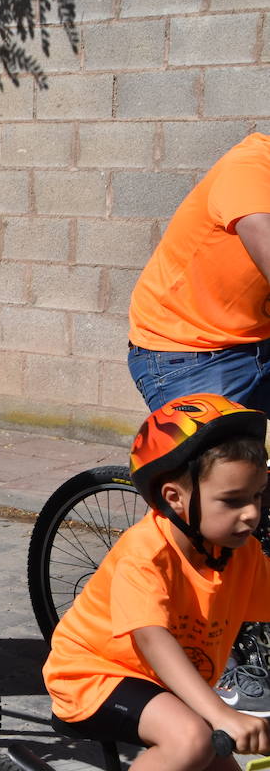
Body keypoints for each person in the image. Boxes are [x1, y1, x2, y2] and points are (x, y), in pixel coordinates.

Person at [43, 394, 270, 771]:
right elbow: (153, 639)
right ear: (175, 498)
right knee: (191, 738)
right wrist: (222, 713)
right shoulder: (145, 552)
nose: (251, 513)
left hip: (167, 689)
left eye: (257, 496)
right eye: (233, 500)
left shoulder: (241, 553)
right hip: (95, 676)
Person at [127, 132, 270, 712]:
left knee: (254, 490)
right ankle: (212, 665)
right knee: (214, 496)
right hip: (186, 351)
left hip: (255, 340)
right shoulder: (251, 168)